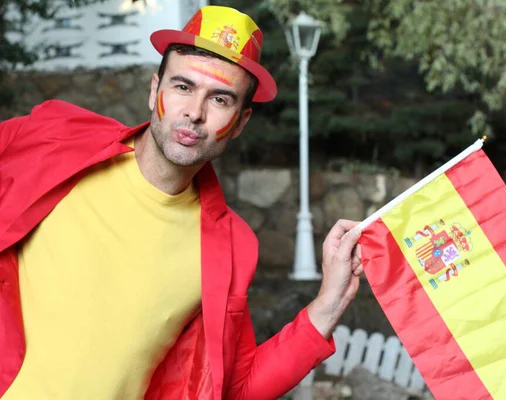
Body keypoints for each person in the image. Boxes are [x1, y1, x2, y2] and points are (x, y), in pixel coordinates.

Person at [0, 5, 364, 400]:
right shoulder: (55, 140)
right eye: (183, 87)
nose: (194, 112)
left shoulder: (230, 246)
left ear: (241, 122)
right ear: (154, 90)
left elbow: (235, 387)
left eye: (220, 99)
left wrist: (330, 301)